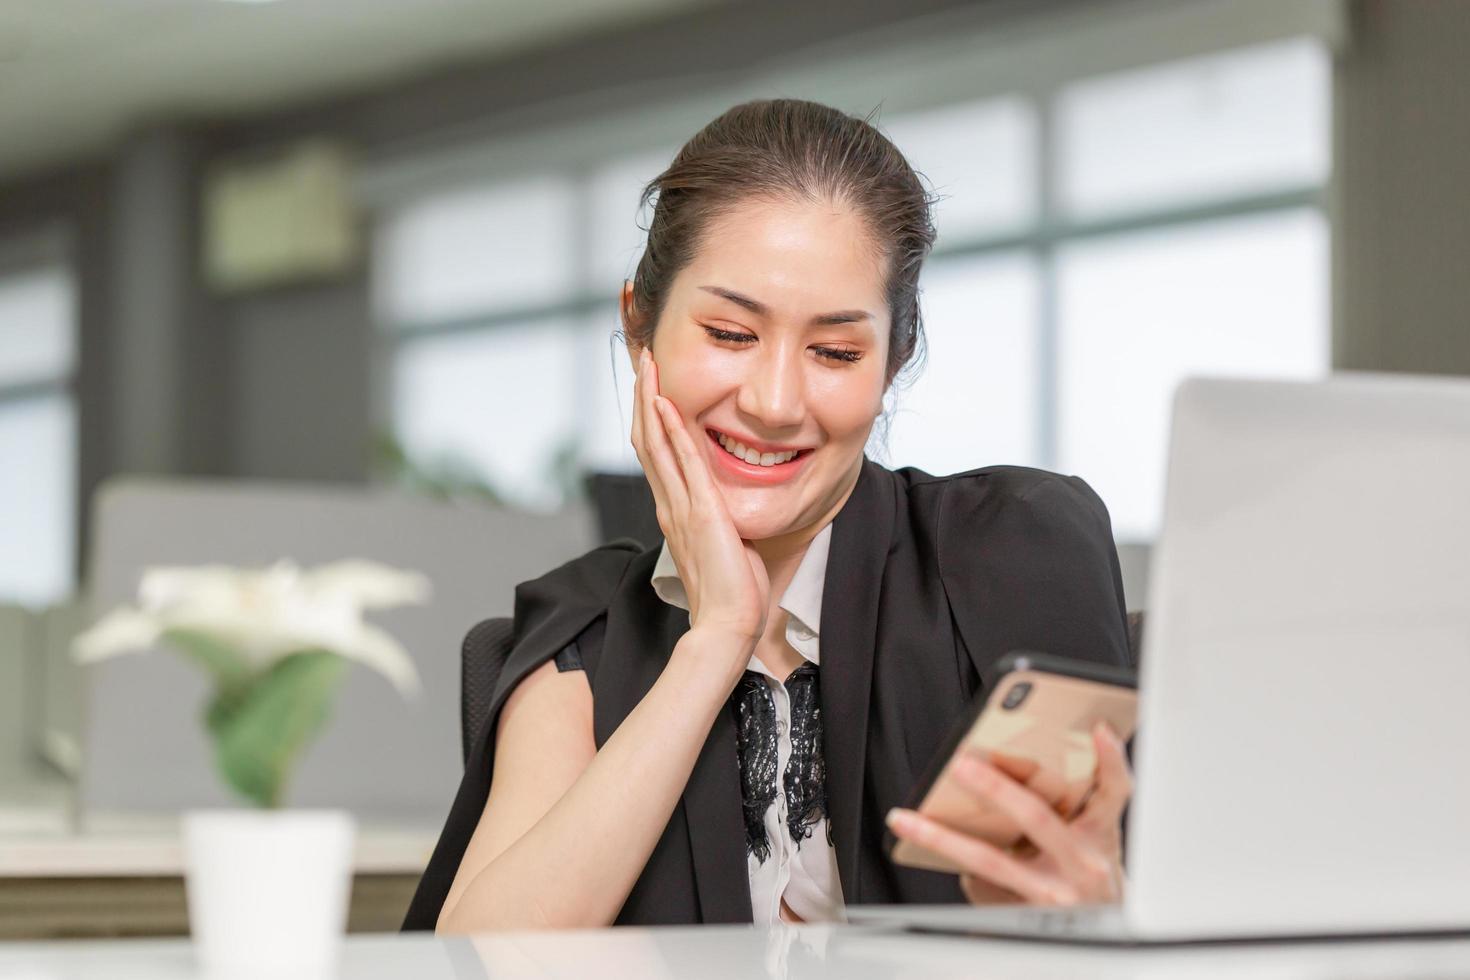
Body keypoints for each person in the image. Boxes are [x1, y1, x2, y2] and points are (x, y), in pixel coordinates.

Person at [405, 98, 1133, 933]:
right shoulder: (582, 634)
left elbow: (1089, 901)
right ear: (639, 327)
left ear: (893, 364)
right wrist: (716, 638)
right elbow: (484, 960)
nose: (777, 402)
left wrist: (1100, 907)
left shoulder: (1017, 549)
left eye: (835, 352)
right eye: (729, 332)